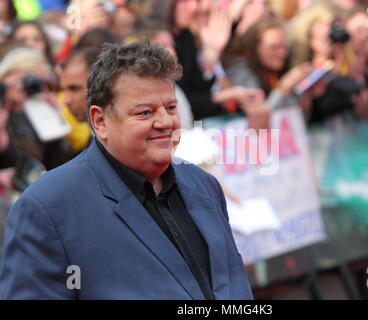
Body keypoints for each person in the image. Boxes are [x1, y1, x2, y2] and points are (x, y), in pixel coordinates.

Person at [0, 41, 253, 300]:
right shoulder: (47, 207)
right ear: (100, 122)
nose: (165, 121)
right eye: (144, 113)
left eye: (171, 108)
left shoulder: (204, 185)